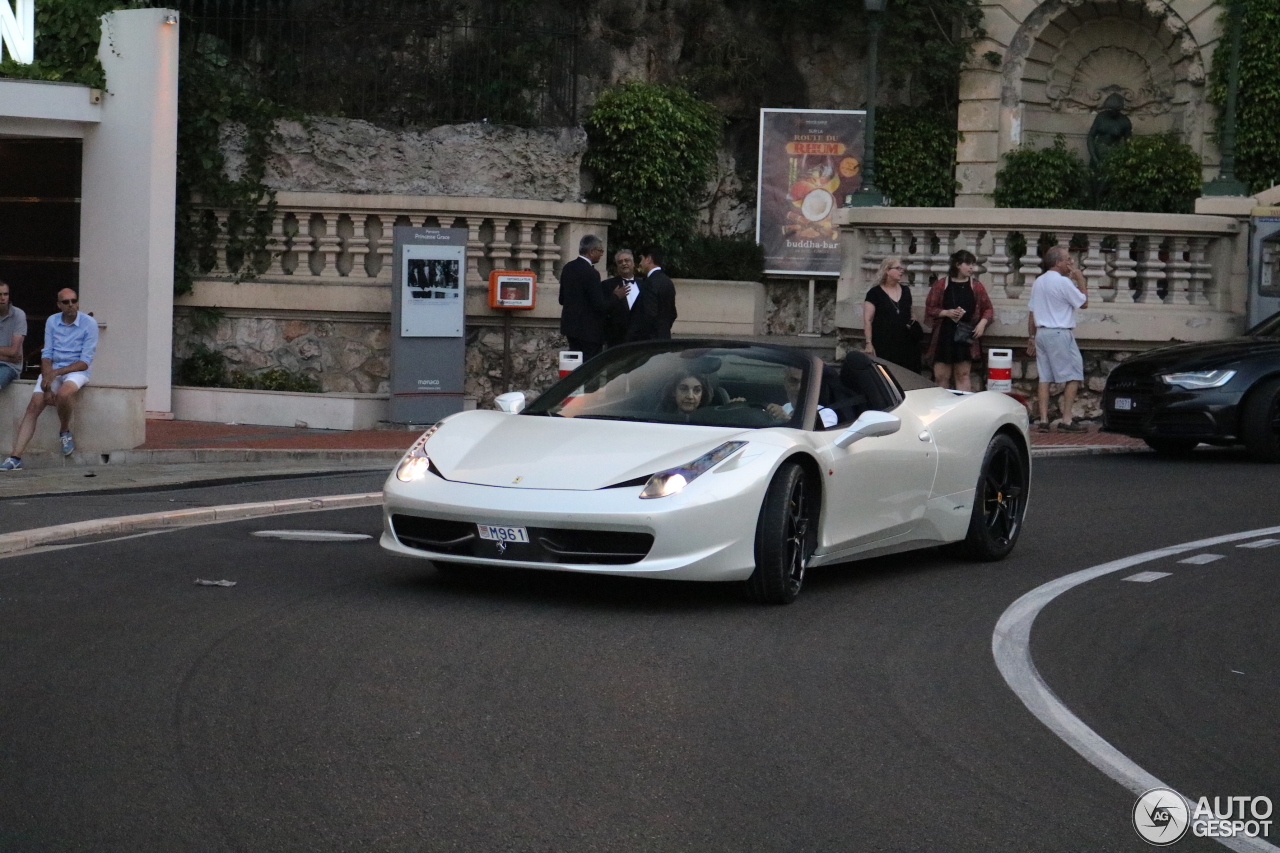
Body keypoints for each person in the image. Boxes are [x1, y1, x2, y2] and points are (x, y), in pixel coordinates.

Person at [2, 289, 98, 470]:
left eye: (73, 301)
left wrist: (55, 374)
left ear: (78, 302)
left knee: (63, 394)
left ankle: (64, 430)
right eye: (66, 302)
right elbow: (47, 354)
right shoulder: (52, 321)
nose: (70, 305)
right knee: (33, 406)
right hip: (53, 369)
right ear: (59, 305)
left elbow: (84, 362)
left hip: (76, 370)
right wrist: (47, 383)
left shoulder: (89, 323)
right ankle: (15, 457)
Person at [1027, 246, 1089, 432]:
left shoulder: (1038, 282)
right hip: (1060, 332)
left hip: (1041, 332)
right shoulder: (1063, 282)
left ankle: (1044, 420)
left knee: (1044, 377)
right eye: (1068, 259)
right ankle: (1067, 420)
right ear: (1058, 262)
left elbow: (1032, 312)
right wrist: (1080, 280)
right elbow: (1084, 303)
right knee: (1074, 374)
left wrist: (1031, 336)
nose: (1070, 263)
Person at [924, 249, 994, 392]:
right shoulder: (941, 284)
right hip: (945, 334)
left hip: (965, 334)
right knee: (941, 376)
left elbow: (988, 309)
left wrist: (982, 323)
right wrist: (946, 312)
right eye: (968, 264)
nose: (971, 268)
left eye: (972, 264)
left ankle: (963, 407)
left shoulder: (976, 286)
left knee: (962, 374)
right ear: (957, 265)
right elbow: (930, 308)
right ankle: (941, 408)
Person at [862, 255, 921, 372]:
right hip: (884, 341)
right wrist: (869, 343)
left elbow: (910, 312)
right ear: (887, 271)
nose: (901, 271)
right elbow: (867, 320)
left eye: (902, 268)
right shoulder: (875, 293)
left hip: (906, 341)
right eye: (898, 268)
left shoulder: (905, 290)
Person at [558, 234, 609, 359]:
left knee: (574, 365)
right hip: (589, 332)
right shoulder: (591, 273)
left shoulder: (568, 267)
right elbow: (599, 305)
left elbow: (562, 299)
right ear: (592, 252)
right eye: (600, 251)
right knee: (589, 368)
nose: (602, 254)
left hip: (570, 329)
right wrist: (615, 297)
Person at [627, 246, 678, 342]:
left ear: (649, 259)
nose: (640, 263)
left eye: (642, 259)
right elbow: (672, 314)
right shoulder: (667, 281)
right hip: (664, 338)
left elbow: (649, 314)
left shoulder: (650, 282)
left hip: (650, 342)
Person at [600, 248, 638, 349]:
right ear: (617, 266)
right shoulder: (607, 285)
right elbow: (603, 309)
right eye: (620, 262)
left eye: (627, 260)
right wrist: (614, 296)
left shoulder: (645, 285)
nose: (624, 264)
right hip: (616, 339)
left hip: (640, 338)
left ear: (633, 263)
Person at [0, 279, 27, 390]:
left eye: (5, 294)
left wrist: (9, 357)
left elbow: (13, 352)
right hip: (9, 361)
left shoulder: (18, 315)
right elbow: (11, 355)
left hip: (9, 367)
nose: (3, 298)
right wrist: (6, 356)